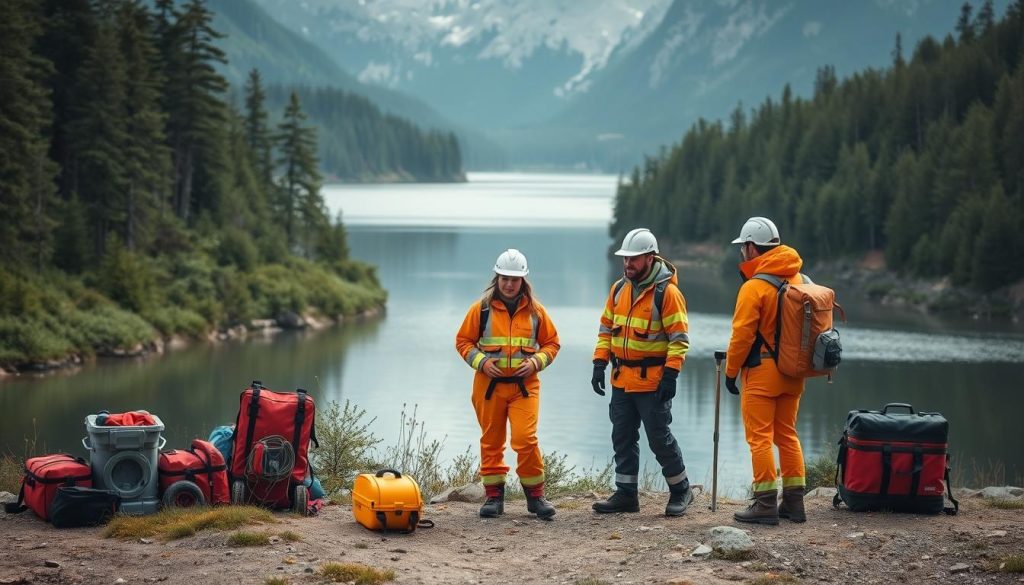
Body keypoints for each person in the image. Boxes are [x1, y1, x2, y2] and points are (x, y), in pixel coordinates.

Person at [590, 228, 694, 516]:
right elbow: (606, 329)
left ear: (650, 258)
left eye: (634, 260)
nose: (627, 265)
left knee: (659, 438)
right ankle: (626, 494)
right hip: (621, 379)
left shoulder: (668, 294)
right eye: (625, 259)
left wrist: (671, 374)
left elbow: (679, 339)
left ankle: (681, 490)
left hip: (653, 382)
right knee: (622, 437)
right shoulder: (618, 289)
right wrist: (599, 363)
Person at [455, 249, 560, 520]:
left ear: (523, 280)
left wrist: (537, 361)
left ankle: (536, 497)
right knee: (491, 440)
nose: (509, 284)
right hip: (488, 386)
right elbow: (463, 341)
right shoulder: (481, 310)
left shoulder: (537, 312)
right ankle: (493, 498)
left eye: (515, 279)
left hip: (525, 386)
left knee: (526, 439)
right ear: (497, 278)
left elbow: (552, 344)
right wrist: (480, 361)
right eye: (505, 278)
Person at [725, 216, 808, 525]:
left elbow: (742, 335)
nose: (741, 254)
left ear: (750, 247)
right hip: (794, 372)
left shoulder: (754, 287)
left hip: (761, 373)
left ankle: (764, 505)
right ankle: (795, 504)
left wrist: (731, 372)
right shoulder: (799, 279)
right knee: (787, 434)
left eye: (742, 248)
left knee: (759, 438)